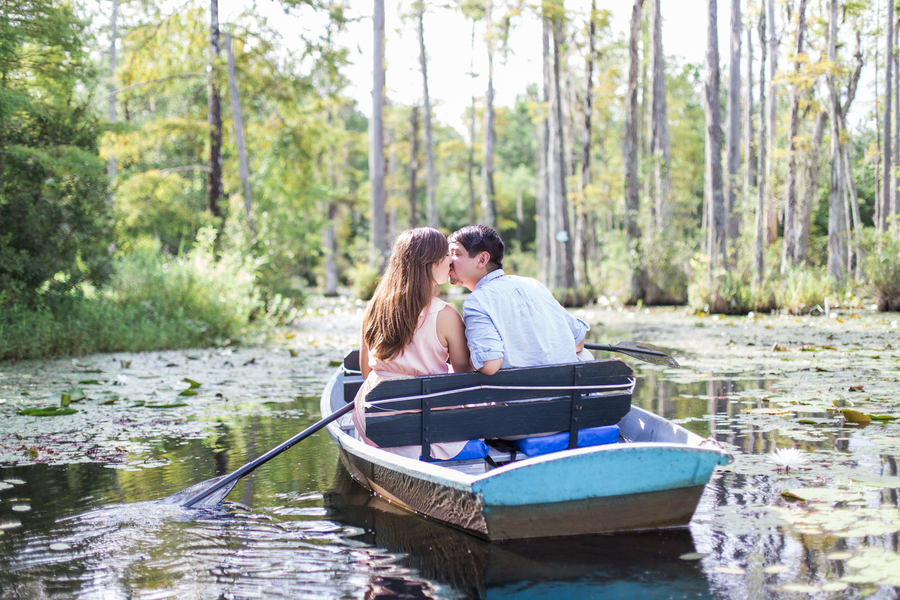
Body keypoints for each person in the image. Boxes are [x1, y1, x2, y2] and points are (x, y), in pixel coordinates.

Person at [352, 227, 472, 460]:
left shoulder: (373, 308)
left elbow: (367, 371)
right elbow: (463, 382)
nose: (450, 260)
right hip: (427, 431)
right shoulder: (447, 316)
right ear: (429, 264)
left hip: (376, 425)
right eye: (445, 254)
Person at [448, 224, 589, 375]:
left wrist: (469, 353)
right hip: (568, 393)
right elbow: (578, 340)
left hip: (521, 397)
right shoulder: (533, 284)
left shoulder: (477, 301)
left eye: (456, 253)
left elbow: (488, 365)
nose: (448, 260)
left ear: (482, 259)